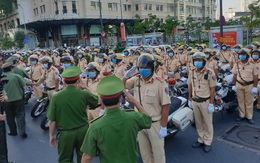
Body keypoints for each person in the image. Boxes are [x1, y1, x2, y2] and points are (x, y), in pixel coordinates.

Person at [81, 76, 152, 163]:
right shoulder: (133, 117)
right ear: (120, 99)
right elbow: (148, 121)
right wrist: (135, 102)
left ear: (102, 101)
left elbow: (87, 158)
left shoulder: (95, 126)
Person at [122, 53, 171, 163]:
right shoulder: (136, 80)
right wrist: (126, 76)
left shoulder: (160, 83)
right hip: (140, 123)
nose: (143, 70)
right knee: (145, 153)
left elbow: (165, 106)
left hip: (154, 124)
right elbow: (120, 86)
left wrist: (163, 126)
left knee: (158, 154)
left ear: (152, 68)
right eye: (141, 68)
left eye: (146, 68)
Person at [47, 66, 99, 163]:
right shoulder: (84, 94)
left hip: (65, 134)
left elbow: (52, 120)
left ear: (64, 81)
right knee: (82, 157)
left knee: (65, 159)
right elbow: (97, 100)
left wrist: (51, 135)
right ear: (78, 80)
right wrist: (86, 87)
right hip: (83, 131)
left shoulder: (56, 97)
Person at [188, 52, 217, 153]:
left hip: (205, 101)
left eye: (199, 61)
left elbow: (212, 88)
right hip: (195, 101)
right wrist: (189, 99)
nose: (197, 63)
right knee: (198, 122)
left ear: (204, 62)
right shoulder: (192, 71)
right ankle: (200, 139)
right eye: (195, 60)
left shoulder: (210, 72)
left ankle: (207, 142)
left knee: (208, 123)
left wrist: (211, 104)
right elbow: (190, 85)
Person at [2, 61, 36, 138]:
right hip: (18, 100)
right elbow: (27, 83)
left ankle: (13, 131)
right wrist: (36, 84)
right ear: (11, 69)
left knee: (9, 117)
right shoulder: (16, 76)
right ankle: (22, 133)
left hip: (5, 101)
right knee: (20, 115)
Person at [231, 48, 259, 124]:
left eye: (243, 54)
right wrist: (233, 85)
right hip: (239, 84)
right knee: (240, 101)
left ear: (247, 56)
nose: (241, 56)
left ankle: (249, 116)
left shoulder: (253, 65)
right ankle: (241, 115)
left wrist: (255, 87)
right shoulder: (236, 64)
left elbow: (256, 76)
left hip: (249, 85)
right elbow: (235, 75)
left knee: (249, 101)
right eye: (240, 54)